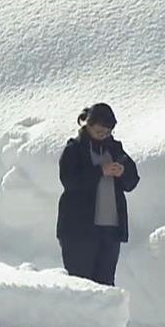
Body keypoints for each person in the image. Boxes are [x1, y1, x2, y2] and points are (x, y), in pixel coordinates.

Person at [56, 102, 140, 286]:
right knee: (81, 284)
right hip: (79, 231)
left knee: (105, 285)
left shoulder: (115, 149)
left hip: (110, 230)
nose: (103, 136)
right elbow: (69, 181)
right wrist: (99, 171)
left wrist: (122, 172)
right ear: (88, 125)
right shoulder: (74, 150)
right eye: (99, 132)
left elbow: (133, 180)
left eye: (107, 132)